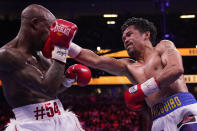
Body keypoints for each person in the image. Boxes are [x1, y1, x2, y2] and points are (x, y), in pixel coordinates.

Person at [66, 17, 197, 130]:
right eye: (123, 38)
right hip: (159, 119)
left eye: (129, 34)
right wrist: (65, 44)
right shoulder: (128, 66)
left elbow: (176, 69)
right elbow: (96, 60)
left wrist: (144, 89)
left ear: (146, 34)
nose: (126, 40)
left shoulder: (164, 46)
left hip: (183, 108)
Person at [0, 4, 91, 131]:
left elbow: (56, 87)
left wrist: (68, 80)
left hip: (62, 120)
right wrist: (62, 48)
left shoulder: (42, 53)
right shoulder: (7, 55)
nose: (53, 36)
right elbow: (47, 89)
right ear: (35, 24)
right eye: (50, 29)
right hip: (30, 125)